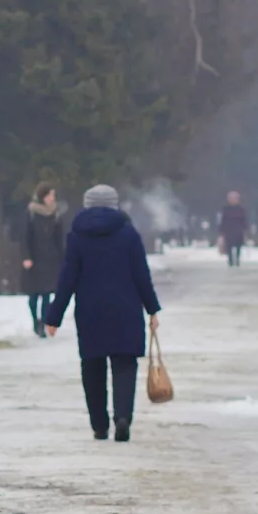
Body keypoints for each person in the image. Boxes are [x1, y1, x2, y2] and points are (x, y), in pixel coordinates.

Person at [44, 185, 162, 442]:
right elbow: (142, 275)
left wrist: (54, 317)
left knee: (93, 366)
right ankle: (122, 417)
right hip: (126, 309)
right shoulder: (129, 234)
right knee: (124, 365)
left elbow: (67, 279)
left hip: (90, 311)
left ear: (87, 205)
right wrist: (152, 309)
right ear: (114, 205)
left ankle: (99, 425)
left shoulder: (76, 236)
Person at [22, 182, 64, 337]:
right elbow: (25, 236)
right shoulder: (31, 212)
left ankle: (43, 324)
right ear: (43, 196)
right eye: (50, 195)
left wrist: (62, 258)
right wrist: (26, 256)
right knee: (33, 295)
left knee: (47, 294)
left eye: (53, 195)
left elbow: (59, 238)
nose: (52, 198)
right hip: (34, 258)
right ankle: (35, 320)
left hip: (50, 259)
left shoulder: (55, 213)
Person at [218, 190, 250, 268]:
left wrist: (246, 229)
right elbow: (223, 220)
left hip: (238, 231)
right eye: (231, 198)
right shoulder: (226, 209)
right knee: (229, 246)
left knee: (238, 246)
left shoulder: (241, 209)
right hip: (228, 231)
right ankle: (230, 261)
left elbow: (244, 220)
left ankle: (237, 260)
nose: (232, 200)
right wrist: (221, 230)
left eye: (234, 198)